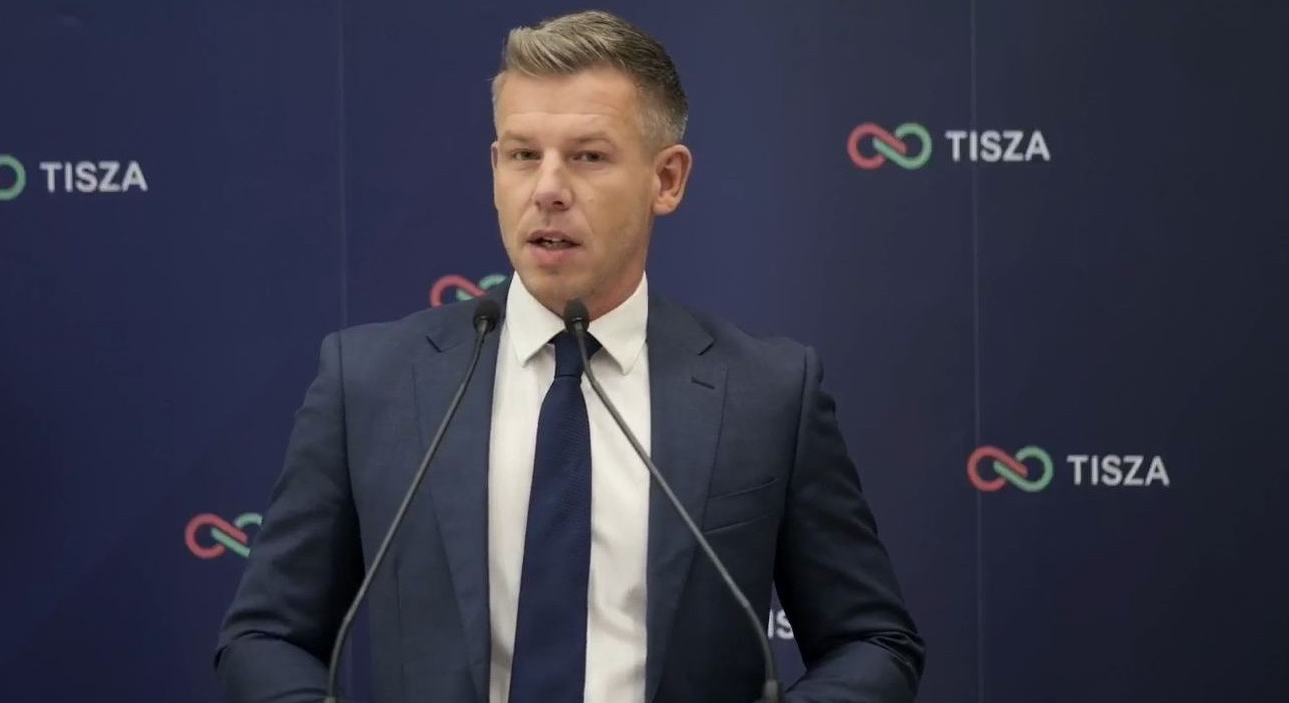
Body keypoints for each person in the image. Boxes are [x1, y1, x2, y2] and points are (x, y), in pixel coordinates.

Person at [216, 10, 923, 703]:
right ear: (496, 169)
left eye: (588, 156)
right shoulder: (371, 383)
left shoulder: (768, 393)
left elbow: (872, 641)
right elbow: (265, 636)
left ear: (667, 179)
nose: (548, 190)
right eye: (524, 155)